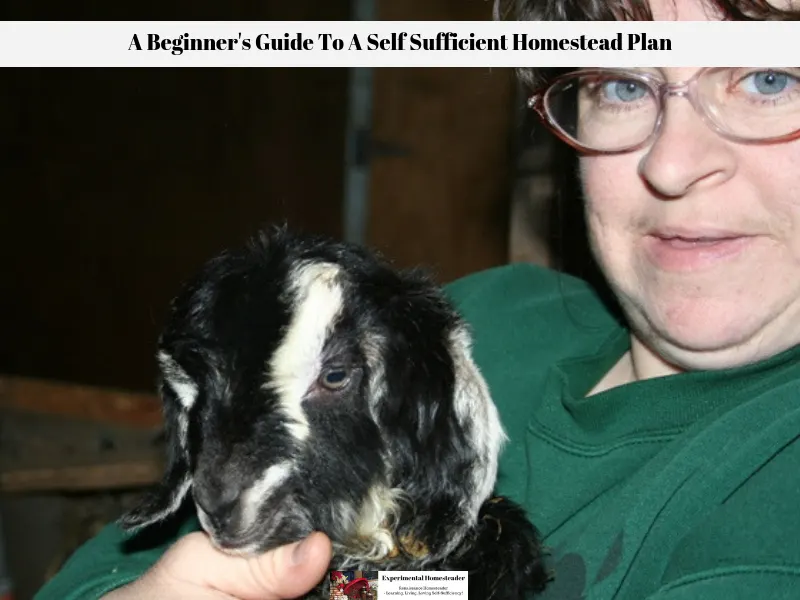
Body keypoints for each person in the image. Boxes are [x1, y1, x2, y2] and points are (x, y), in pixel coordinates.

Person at [35, 0, 800, 598]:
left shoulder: (774, 472)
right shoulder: (463, 324)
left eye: (771, 80)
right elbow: (105, 573)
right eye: (623, 85)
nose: (671, 165)